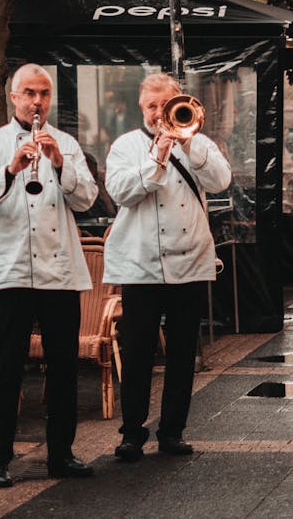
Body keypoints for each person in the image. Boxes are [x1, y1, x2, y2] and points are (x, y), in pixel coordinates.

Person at [0, 64, 98, 487]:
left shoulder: (68, 143)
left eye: (44, 93)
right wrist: (9, 170)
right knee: (6, 366)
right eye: (30, 93)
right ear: (14, 97)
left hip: (58, 270)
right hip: (11, 269)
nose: (38, 101)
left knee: (63, 367)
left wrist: (59, 164)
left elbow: (87, 199)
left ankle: (62, 454)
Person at [104, 72, 232, 461]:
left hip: (189, 262)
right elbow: (122, 192)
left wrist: (189, 143)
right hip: (140, 265)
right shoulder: (126, 146)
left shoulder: (198, 139)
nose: (159, 113)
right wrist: (158, 156)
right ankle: (132, 433)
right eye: (151, 106)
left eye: (165, 104)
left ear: (181, 101)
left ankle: (172, 430)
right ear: (142, 108)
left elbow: (222, 180)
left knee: (181, 353)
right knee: (138, 351)